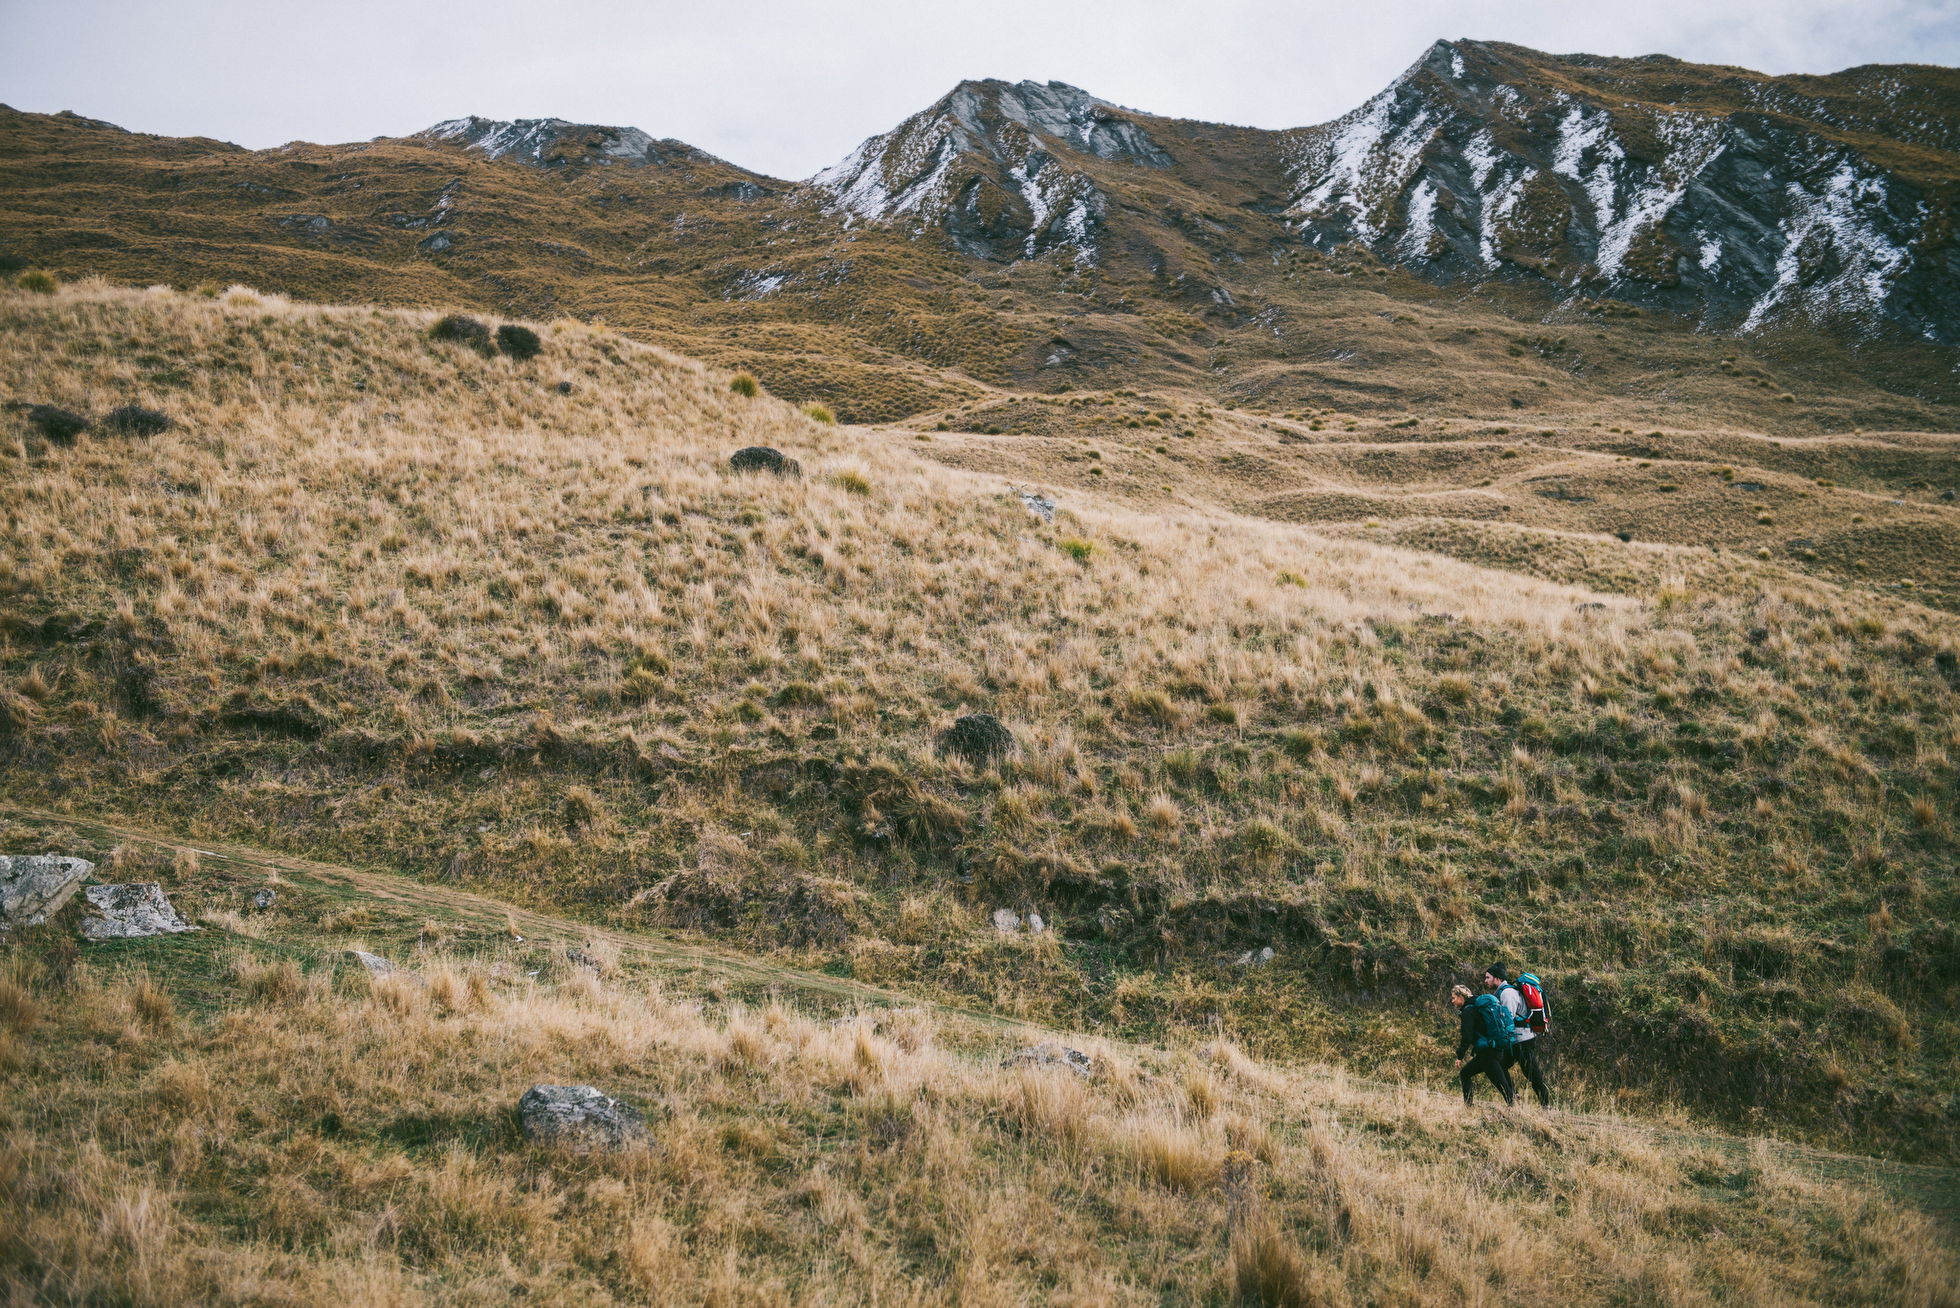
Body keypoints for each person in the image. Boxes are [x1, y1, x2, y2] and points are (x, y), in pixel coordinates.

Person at [1485, 965, 1550, 1107]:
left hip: (1522, 1040)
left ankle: (1546, 1105)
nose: (1485, 981)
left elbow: (1507, 1019)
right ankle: (1514, 1097)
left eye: (1488, 977)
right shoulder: (1503, 992)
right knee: (1499, 1064)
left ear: (1497, 979)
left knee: (1532, 1073)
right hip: (1514, 1041)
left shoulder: (1507, 993)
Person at [1451, 983, 1515, 1106]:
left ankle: (1515, 1108)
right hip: (1494, 1049)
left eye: (1454, 998)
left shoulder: (1468, 1011)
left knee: (1501, 1084)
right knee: (1465, 1074)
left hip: (1488, 1054)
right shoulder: (1477, 1007)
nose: (1453, 1001)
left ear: (1461, 997)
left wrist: (1460, 1056)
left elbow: (1467, 1037)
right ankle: (1468, 1107)